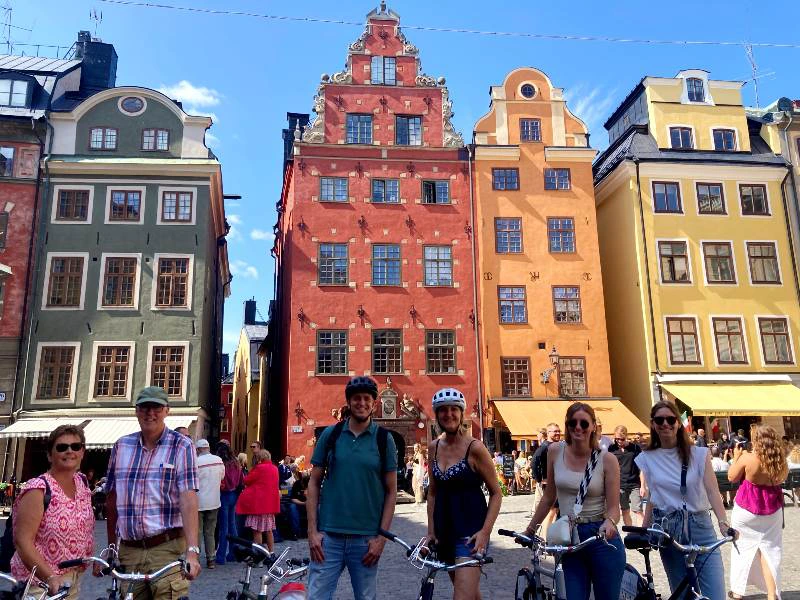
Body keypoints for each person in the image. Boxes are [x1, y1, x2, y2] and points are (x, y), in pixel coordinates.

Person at [306, 376, 398, 600]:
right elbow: (314, 482)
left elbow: (391, 491)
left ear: (374, 403)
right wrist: (312, 532)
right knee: (316, 596)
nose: (362, 403)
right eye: (356, 398)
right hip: (329, 537)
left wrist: (381, 539)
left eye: (367, 398)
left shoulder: (384, 439)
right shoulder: (331, 435)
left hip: (366, 540)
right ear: (348, 402)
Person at [105, 386, 201, 599]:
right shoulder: (121, 446)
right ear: (136, 411)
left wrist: (192, 550)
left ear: (167, 411)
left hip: (166, 549)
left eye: (156, 407)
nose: (150, 413)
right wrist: (112, 546)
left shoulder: (182, 445)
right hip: (129, 551)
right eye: (145, 407)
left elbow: (188, 499)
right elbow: (112, 498)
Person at [524, 403, 624, 600]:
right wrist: (529, 530)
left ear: (593, 426)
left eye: (584, 423)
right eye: (572, 423)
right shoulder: (555, 451)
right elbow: (549, 496)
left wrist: (610, 522)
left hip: (600, 538)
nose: (578, 427)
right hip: (569, 536)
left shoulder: (607, 459)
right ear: (567, 426)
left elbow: (614, 508)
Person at [635, 401, 731, 600]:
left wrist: (723, 523)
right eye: (659, 420)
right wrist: (644, 529)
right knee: (682, 594)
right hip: (668, 529)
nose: (665, 424)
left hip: (700, 526)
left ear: (678, 423)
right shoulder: (647, 457)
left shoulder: (698, 454)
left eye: (670, 420)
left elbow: (713, 490)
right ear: (653, 424)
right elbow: (653, 495)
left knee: (715, 593)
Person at [425, 388, 502, 600]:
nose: (448, 414)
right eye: (443, 410)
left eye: (453, 410)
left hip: (470, 534)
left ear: (461, 413)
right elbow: (432, 493)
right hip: (444, 533)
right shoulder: (433, 447)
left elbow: (496, 493)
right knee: (468, 593)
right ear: (437, 414)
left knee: (462, 596)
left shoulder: (475, 448)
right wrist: (431, 532)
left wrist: (486, 532)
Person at [11, 425, 93, 598]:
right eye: (62, 447)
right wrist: (49, 577)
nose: (70, 451)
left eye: (76, 446)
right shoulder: (38, 488)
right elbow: (22, 541)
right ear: (50, 455)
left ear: (83, 452)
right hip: (41, 585)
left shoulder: (82, 483)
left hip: (72, 580)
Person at [727, 425, 787, 600]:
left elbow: (731, 477)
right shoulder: (779, 460)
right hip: (772, 509)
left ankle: (738, 592)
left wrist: (736, 458)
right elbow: (781, 479)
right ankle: (771, 594)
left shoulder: (748, 458)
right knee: (770, 551)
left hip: (747, 508)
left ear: (756, 441)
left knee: (741, 549)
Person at [236, 449, 280, 552]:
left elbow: (246, 480)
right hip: (270, 505)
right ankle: (271, 552)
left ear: (260, 458)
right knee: (269, 530)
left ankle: (259, 555)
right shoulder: (275, 468)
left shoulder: (259, 468)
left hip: (258, 505)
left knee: (257, 530)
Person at [195, 439, 224, 569]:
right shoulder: (218, 460)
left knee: (197, 532)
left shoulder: (196, 461)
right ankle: (211, 559)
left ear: (199, 449)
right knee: (210, 532)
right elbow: (222, 476)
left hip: (198, 501)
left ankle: (195, 559)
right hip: (214, 500)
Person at [609, 425, 644, 527]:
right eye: (617, 439)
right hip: (620, 485)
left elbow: (642, 468)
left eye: (622, 439)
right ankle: (630, 534)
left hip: (634, 484)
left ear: (626, 436)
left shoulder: (635, 448)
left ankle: (641, 536)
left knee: (638, 511)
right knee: (625, 511)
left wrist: (643, 486)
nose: (619, 441)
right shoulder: (612, 449)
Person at [215, 442, 243, 565]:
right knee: (232, 525)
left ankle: (221, 556)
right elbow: (241, 479)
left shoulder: (222, 464)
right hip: (234, 494)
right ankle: (233, 552)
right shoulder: (236, 463)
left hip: (224, 494)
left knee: (223, 527)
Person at [531, 423, 561, 534]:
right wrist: (539, 479)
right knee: (551, 512)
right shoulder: (545, 446)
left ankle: (550, 537)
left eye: (558, 431)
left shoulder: (558, 445)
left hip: (558, 483)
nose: (558, 433)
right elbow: (534, 462)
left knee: (555, 512)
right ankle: (545, 539)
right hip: (549, 485)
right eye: (555, 431)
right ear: (548, 433)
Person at [288, 474, 309, 539]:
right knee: (292, 508)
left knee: (318, 508)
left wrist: (307, 495)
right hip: (299, 505)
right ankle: (295, 532)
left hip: (310, 505)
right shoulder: (297, 484)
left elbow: (315, 500)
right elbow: (293, 499)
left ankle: (319, 531)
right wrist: (303, 503)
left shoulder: (313, 485)